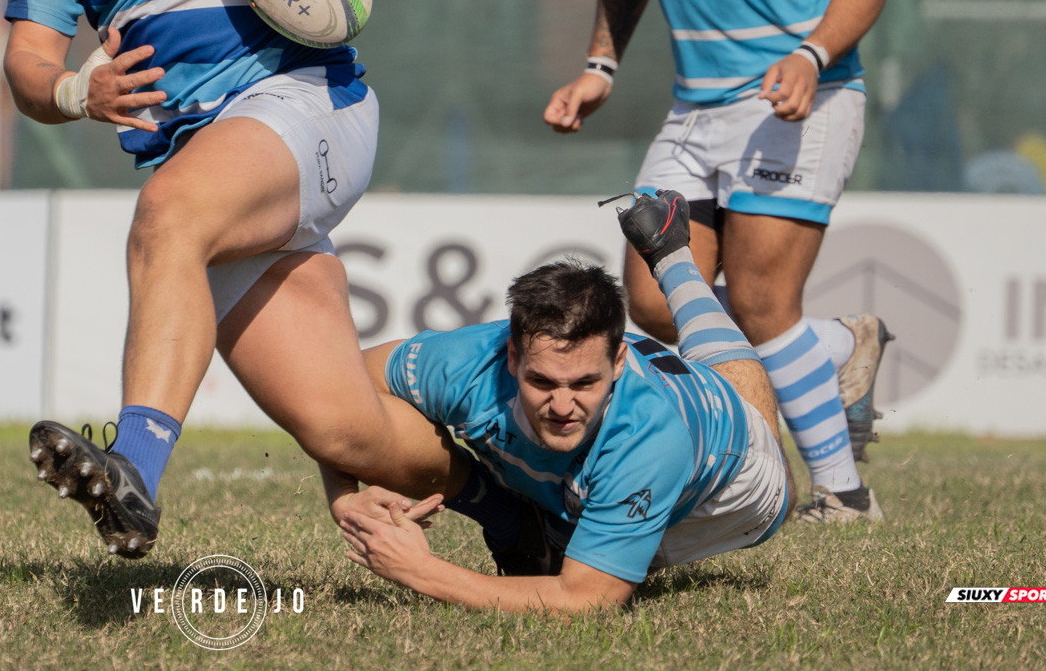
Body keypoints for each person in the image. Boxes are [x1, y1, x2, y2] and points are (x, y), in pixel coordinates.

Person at [6, 0, 461, 558]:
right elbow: (27, 63)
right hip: (205, 160)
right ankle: (536, 499)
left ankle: (131, 471)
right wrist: (74, 91)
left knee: (169, 213)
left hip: (307, 103)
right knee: (349, 436)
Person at [542, 0, 892, 524]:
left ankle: (845, 498)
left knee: (760, 307)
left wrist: (813, 55)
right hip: (693, 114)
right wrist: (599, 64)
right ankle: (844, 346)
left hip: (802, 100)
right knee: (658, 304)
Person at [331, 190, 792, 611]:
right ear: (512, 355)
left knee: (746, 404)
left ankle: (673, 260)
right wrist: (344, 496)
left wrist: (420, 571)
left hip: (737, 485)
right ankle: (517, 519)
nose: (563, 404)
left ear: (617, 363)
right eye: (544, 382)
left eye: (584, 383)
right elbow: (341, 389)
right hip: (653, 414)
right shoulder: (465, 362)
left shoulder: (650, 439)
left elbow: (586, 600)